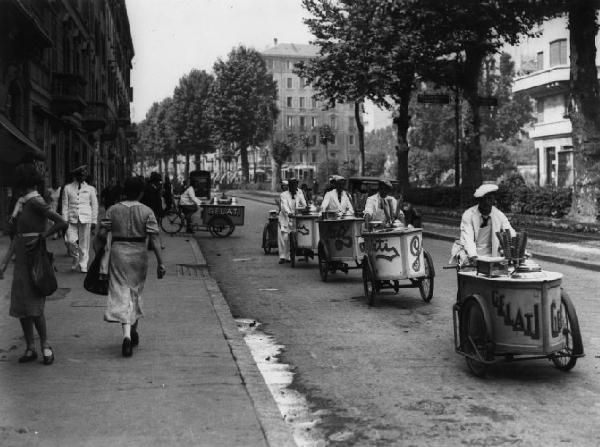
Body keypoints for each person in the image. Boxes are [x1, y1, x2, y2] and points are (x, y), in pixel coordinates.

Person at [0, 163, 67, 365]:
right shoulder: (21, 203)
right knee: (22, 304)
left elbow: (61, 222)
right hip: (21, 258)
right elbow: (16, 237)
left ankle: (45, 345)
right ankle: (30, 347)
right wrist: (3, 264)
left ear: (23, 184)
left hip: (35, 256)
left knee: (35, 305)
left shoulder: (36, 202)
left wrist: (42, 236)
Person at [98, 177, 166, 357]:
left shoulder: (113, 209)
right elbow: (155, 239)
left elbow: (102, 233)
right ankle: (131, 332)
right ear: (141, 193)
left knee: (121, 292)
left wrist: (99, 255)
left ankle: (128, 335)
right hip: (139, 255)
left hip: (118, 253)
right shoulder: (147, 211)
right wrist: (161, 263)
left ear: (124, 191)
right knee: (135, 292)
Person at [450, 183, 515, 266]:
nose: (487, 202)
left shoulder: (498, 214)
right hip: (470, 254)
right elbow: (468, 238)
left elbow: (509, 231)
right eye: (483, 199)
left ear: (493, 200)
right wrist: (473, 257)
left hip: (491, 256)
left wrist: (515, 247)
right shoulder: (468, 214)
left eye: (490, 199)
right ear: (479, 200)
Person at [61, 165, 98, 273]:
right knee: (69, 240)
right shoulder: (67, 188)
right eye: (80, 175)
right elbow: (64, 205)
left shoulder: (91, 189)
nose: (83, 177)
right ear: (76, 176)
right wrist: (64, 219)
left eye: (84, 175)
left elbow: (94, 205)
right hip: (71, 218)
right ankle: (76, 256)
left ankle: (83, 264)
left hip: (86, 217)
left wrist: (94, 220)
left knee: (84, 242)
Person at [278, 178, 307, 264]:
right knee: (284, 237)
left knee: (294, 236)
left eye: (296, 186)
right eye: (292, 186)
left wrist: (304, 207)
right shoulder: (283, 195)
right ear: (289, 186)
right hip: (285, 217)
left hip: (296, 217)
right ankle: (283, 256)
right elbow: (284, 206)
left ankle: (291, 254)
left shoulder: (299, 193)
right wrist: (289, 212)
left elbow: (304, 204)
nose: (294, 188)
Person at [141, 172, 165, 249]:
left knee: (153, 229)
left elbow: (158, 201)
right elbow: (152, 201)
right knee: (152, 229)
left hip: (154, 211)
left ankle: (152, 245)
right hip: (150, 211)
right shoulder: (149, 188)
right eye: (158, 181)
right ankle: (151, 245)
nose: (159, 182)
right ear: (154, 181)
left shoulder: (154, 188)